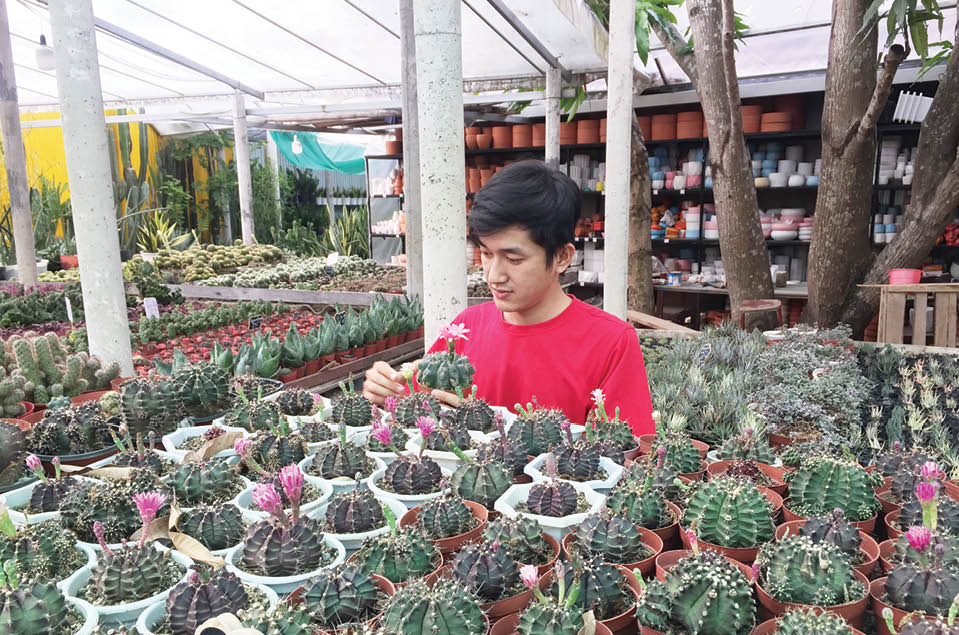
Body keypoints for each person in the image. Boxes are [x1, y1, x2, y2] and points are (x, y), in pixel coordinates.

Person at [363, 159, 654, 436]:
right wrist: (386, 390)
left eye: (513, 259)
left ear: (563, 257)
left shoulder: (611, 343)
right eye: (487, 254)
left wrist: (495, 429)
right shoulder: (465, 329)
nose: (494, 275)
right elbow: (415, 407)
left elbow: (626, 455)